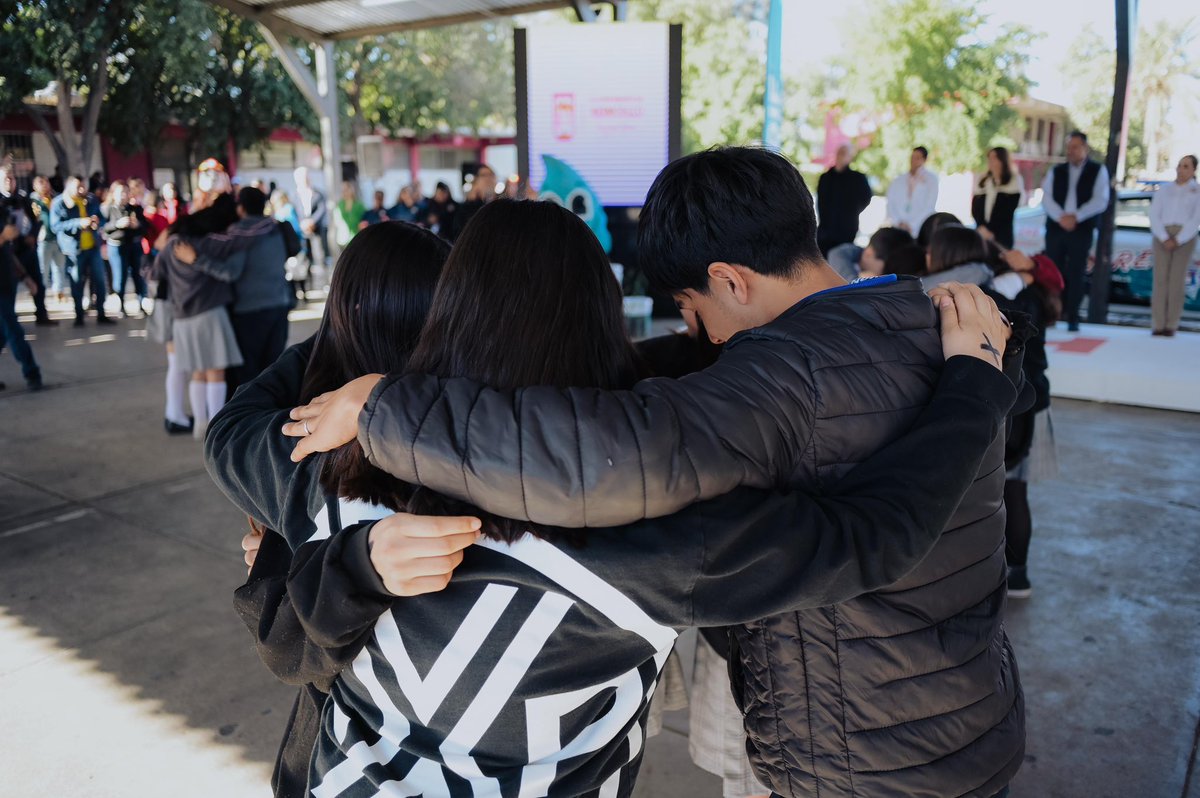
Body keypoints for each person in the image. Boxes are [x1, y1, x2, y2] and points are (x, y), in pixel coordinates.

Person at [283, 149, 1029, 798]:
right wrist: (977, 385)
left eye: (688, 304)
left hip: (857, 759)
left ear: (731, 281)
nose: (694, 331)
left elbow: (610, 457)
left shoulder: (337, 476)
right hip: (961, 716)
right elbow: (873, 529)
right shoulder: (945, 325)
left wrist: (380, 411)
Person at [175, 187, 292, 396]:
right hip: (279, 304)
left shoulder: (241, 234)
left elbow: (230, 273)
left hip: (250, 311)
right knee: (273, 367)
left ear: (241, 208)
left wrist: (195, 260)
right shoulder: (274, 228)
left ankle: (252, 421)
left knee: (250, 375)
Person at [150, 193, 242, 440]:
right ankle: (215, 427)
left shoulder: (171, 245)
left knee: (197, 373)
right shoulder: (211, 244)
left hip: (181, 320)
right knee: (216, 373)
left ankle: (200, 424)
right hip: (210, 315)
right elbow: (230, 271)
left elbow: (153, 275)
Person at [1040, 130, 1111, 331]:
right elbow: (1047, 198)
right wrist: (1061, 217)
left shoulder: (1098, 171)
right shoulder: (1057, 170)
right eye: (1069, 147)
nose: (1071, 151)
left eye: (1075, 147)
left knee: (1076, 272)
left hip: (1081, 228)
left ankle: (1073, 316)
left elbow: (1100, 200)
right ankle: (1052, 313)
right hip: (1056, 227)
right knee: (1052, 271)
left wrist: (1076, 217)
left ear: (1085, 148)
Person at [51, 174, 114, 327]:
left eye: (83, 186)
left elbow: (102, 218)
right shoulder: (59, 202)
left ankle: (101, 313)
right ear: (69, 186)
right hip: (74, 250)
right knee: (77, 282)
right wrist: (79, 223)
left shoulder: (91, 199)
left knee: (99, 281)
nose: (81, 189)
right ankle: (79, 315)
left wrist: (97, 223)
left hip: (93, 247)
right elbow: (56, 226)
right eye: (77, 186)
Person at [1148, 154, 1200, 337]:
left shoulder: (1197, 191)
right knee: (1160, 280)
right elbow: (1154, 214)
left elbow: (1196, 219)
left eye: (1186, 166)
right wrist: (1164, 237)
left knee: (1176, 281)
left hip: (1185, 237)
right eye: (1179, 165)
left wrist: (1179, 239)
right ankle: (1157, 324)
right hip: (1163, 234)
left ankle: (1171, 324)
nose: (1181, 169)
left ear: (1194, 170)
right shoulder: (1164, 190)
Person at [0, 166, 54, 326]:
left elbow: (36, 220)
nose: (9, 181)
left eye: (12, 177)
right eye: (5, 178)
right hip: (9, 252)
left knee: (38, 283)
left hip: (28, 249)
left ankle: (41, 314)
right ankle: (9, 322)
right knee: (10, 289)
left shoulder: (23, 198)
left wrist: (33, 236)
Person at [0, 217, 44, 391]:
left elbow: (8, 254)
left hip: (7, 286)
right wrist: (2, 237)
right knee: (13, 330)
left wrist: (25, 277)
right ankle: (32, 372)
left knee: (2, 334)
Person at [101, 180, 149, 318]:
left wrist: (137, 225)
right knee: (120, 277)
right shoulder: (107, 209)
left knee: (138, 275)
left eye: (126, 192)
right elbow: (103, 229)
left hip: (134, 245)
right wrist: (117, 224)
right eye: (120, 192)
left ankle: (141, 304)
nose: (124, 195)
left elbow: (145, 228)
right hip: (117, 246)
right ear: (114, 194)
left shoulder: (136, 209)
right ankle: (121, 305)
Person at [816, 143, 873, 256]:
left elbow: (866, 198)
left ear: (850, 157)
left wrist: (852, 212)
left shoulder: (857, 178)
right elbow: (821, 202)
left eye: (844, 153)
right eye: (839, 153)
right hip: (825, 230)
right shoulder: (825, 177)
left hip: (847, 229)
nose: (840, 156)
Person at [972, 147, 1022, 249]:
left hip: (1002, 235)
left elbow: (1008, 209)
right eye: (989, 158)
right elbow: (976, 207)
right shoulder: (983, 180)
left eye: (994, 158)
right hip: (981, 233)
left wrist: (991, 230)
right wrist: (981, 226)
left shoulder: (1013, 181)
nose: (991, 161)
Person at [31, 175, 67, 307]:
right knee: (43, 269)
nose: (45, 185)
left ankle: (59, 292)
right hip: (43, 240)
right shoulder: (33, 200)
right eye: (41, 183)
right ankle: (41, 295)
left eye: (46, 182)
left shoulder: (56, 198)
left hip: (58, 237)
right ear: (35, 186)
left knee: (59, 266)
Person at [885, 145, 939, 232]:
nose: (913, 161)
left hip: (920, 228)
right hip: (898, 227)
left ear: (924, 160)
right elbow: (890, 203)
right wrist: (898, 222)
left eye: (917, 158)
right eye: (912, 157)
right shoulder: (898, 180)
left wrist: (912, 225)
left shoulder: (931, 180)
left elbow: (930, 205)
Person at [293, 167, 328, 272]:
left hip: (316, 228)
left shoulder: (318, 193)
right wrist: (303, 224)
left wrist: (312, 221)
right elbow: (295, 211)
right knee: (306, 257)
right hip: (303, 229)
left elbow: (322, 209)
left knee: (320, 254)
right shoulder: (296, 195)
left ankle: (323, 280)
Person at [450, 164, 496, 240]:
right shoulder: (467, 207)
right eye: (484, 175)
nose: (488, 179)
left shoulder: (499, 202)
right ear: (476, 180)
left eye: (491, 175)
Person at [332, 181, 364, 247]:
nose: (344, 192)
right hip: (343, 239)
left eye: (346, 190)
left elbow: (363, 220)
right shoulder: (339, 205)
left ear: (351, 190)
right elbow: (337, 221)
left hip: (357, 238)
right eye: (342, 190)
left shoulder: (359, 205)